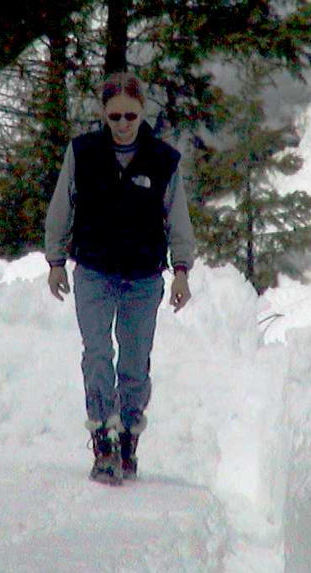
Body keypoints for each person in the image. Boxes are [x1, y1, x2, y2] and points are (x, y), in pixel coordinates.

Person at [44, 72, 195, 485]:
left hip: (143, 278)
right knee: (96, 354)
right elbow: (62, 206)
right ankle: (102, 437)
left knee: (133, 362)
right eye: (115, 116)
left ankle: (128, 435)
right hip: (93, 271)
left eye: (130, 115)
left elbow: (177, 219)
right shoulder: (83, 153)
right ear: (103, 114)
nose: (123, 123)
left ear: (142, 112)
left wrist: (182, 270)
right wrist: (56, 260)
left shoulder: (164, 161)